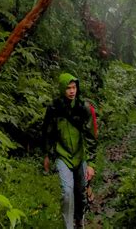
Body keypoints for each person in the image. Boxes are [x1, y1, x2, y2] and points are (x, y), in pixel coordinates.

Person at [42, 72, 98, 229]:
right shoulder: (54, 109)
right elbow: (47, 132)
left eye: (74, 87)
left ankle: (80, 220)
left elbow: (91, 137)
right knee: (67, 192)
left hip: (80, 156)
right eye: (68, 88)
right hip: (62, 156)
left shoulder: (83, 108)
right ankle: (69, 226)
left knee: (80, 192)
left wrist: (91, 163)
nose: (72, 91)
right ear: (62, 89)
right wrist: (47, 155)